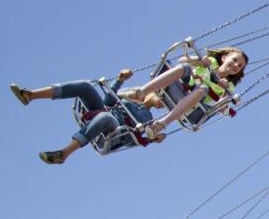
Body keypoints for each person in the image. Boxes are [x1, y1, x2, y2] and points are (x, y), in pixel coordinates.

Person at [9, 69, 166, 164]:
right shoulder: (129, 98)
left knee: (106, 118)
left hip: (113, 131)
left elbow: (135, 139)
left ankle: (63, 154)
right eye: (159, 94)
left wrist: (152, 139)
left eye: (161, 99)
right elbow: (108, 100)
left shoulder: (149, 118)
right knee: (86, 87)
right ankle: (31, 95)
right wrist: (120, 80)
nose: (160, 99)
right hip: (102, 112)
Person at [125, 46, 246, 139]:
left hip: (192, 105)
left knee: (203, 88)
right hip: (178, 87)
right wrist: (199, 61)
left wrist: (224, 95)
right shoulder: (211, 62)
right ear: (224, 57)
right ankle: (141, 92)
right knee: (185, 68)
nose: (236, 65)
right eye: (234, 60)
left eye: (239, 66)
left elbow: (222, 109)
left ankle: (162, 124)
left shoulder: (227, 87)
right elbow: (182, 60)